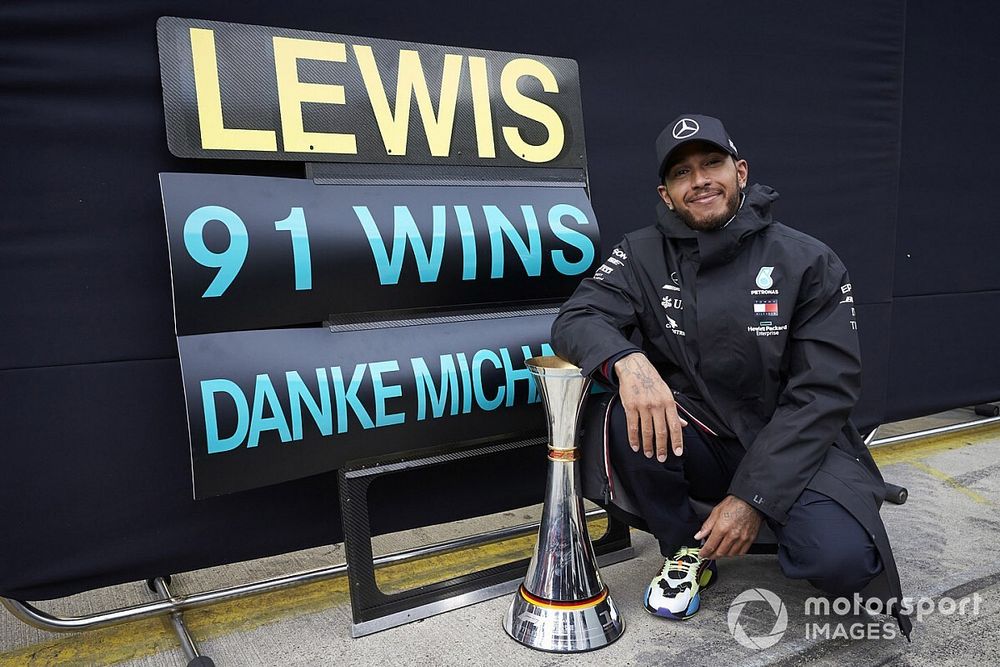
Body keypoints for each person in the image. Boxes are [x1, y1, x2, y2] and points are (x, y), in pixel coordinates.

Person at [551, 114, 910, 637]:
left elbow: (822, 394)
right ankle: (687, 550)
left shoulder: (808, 259)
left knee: (842, 564)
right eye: (681, 173)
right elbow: (575, 319)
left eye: (712, 164)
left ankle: (773, 519)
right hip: (702, 435)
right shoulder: (640, 252)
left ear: (740, 171)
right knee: (619, 413)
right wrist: (629, 363)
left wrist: (752, 499)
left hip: (793, 442)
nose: (699, 180)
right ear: (666, 193)